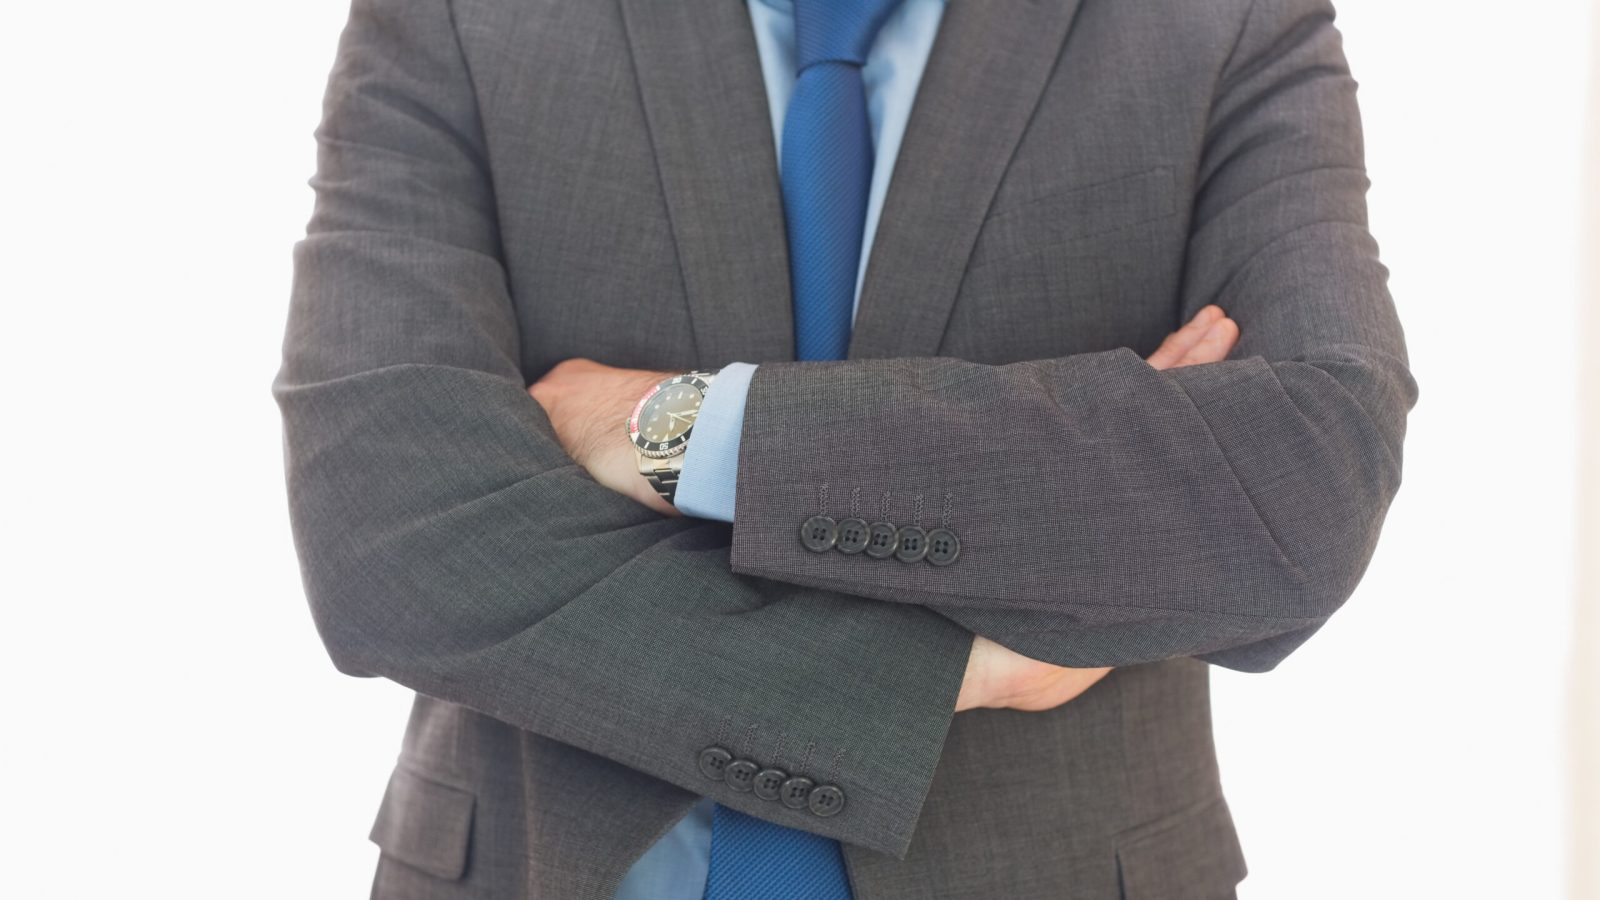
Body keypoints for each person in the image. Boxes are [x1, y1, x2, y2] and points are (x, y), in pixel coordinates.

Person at [272, 0, 1418, 896]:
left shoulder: (1227, 23)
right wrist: (952, 671)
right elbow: (392, 541)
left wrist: (686, 429)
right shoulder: (454, 18)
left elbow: (1301, 485)